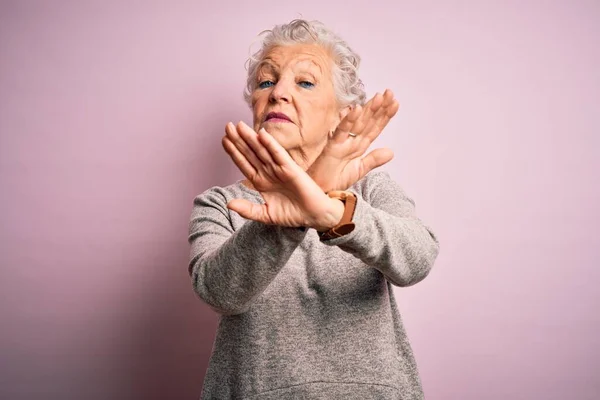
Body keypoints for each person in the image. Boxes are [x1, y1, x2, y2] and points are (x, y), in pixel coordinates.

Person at [188, 18, 440, 400]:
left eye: (304, 82)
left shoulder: (369, 187)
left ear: (341, 114)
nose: (277, 94)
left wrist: (334, 212)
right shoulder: (220, 204)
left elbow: (417, 258)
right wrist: (287, 215)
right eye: (266, 82)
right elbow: (219, 292)